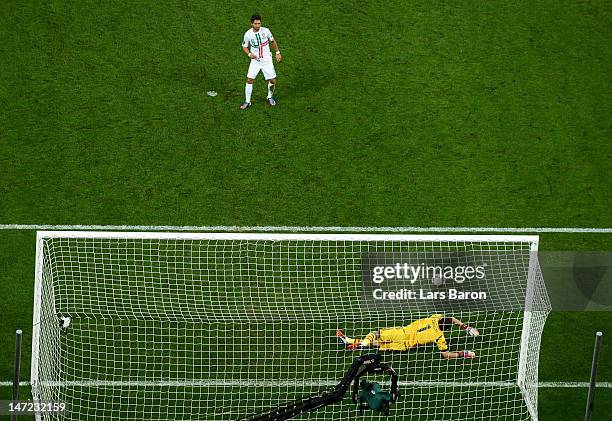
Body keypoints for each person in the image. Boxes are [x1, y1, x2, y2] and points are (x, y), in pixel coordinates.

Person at [337, 314, 480, 359]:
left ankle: (361, 344)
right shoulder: (439, 337)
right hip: (404, 346)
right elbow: (445, 354)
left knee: (376, 335)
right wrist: (464, 353)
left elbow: (452, 319)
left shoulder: (434, 318)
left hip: (402, 333)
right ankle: (350, 342)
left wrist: (465, 327)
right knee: (379, 345)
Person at [240, 14, 282, 109]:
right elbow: (244, 46)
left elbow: (273, 41)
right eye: (255, 23)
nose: (258, 25)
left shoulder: (266, 31)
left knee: (273, 80)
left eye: (259, 23)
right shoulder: (248, 34)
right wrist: (250, 54)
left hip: (267, 60)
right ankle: (247, 101)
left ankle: (270, 96)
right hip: (256, 61)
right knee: (249, 79)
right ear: (251, 24)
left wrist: (277, 52)